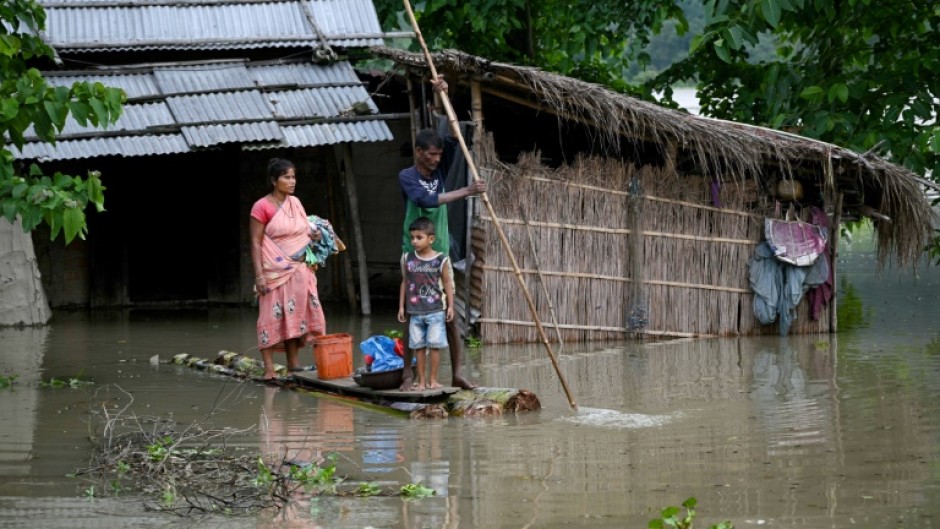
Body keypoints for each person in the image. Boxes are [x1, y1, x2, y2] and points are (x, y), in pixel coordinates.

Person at [398, 76, 487, 390]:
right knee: (414, 310)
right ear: (419, 152)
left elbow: (454, 138)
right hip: (414, 252)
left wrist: (444, 95)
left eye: (438, 155)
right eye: (431, 155)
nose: (437, 160)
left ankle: (457, 373)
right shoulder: (408, 176)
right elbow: (425, 200)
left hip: (441, 253)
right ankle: (409, 374)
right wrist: (466, 190)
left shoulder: (439, 168)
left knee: (450, 310)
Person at [250, 158, 326, 380]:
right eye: (286, 177)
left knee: (293, 315)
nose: (292, 181)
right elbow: (255, 242)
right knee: (269, 316)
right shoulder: (261, 206)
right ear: (274, 181)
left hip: (299, 269)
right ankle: (269, 369)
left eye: (293, 177)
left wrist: (316, 235)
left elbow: (304, 231)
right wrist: (259, 276)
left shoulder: (296, 202)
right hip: (273, 271)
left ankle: (294, 364)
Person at [398, 217, 454, 390]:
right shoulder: (408, 258)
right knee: (419, 347)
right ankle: (421, 381)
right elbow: (404, 282)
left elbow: (446, 283)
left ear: (431, 239)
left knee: (435, 346)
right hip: (415, 311)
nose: (414, 241)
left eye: (419, 237)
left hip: (436, 310)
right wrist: (401, 306)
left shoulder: (441, 260)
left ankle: (433, 380)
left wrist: (450, 306)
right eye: (412, 237)